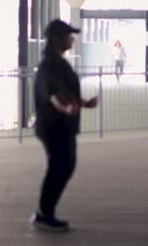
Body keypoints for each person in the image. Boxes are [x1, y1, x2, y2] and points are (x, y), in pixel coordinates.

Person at [30, 19, 98, 232]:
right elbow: (53, 96)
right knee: (60, 167)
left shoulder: (58, 62)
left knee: (64, 166)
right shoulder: (49, 65)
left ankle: (44, 212)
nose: (72, 39)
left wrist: (84, 103)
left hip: (61, 125)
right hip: (54, 126)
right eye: (68, 35)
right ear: (56, 39)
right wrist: (65, 109)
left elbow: (65, 92)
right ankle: (44, 214)